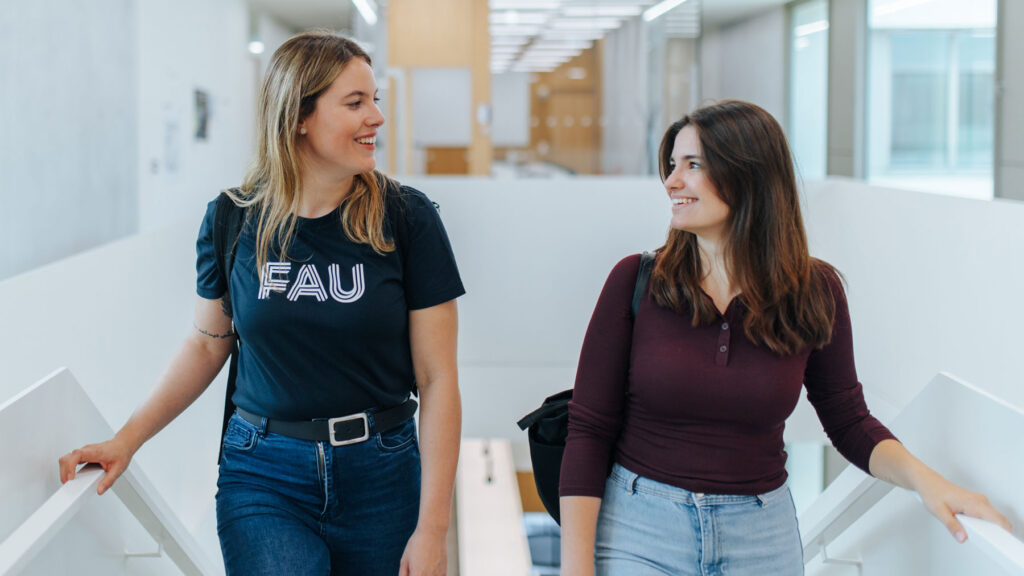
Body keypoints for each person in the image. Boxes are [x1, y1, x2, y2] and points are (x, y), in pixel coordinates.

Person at [59, 30, 464, 576]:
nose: (377, 117)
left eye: (375, 100)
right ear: (299, 116)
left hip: (383, 474)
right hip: (264, 474)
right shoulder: (233, 218)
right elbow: (207, 346)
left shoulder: (407, 218)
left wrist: (433, 527)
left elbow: (438, 379)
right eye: (355, 103)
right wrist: (126, 440)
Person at [558, 100, 1009, 576]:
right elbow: (588, 431)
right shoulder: (637, 281)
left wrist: (929, 483)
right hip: (640, 530)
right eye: (672, 165)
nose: (671, 181)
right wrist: (576, 569)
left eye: (692, 165)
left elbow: (849, 420)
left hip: (761, 539)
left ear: (746, 174)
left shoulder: (815, 291)